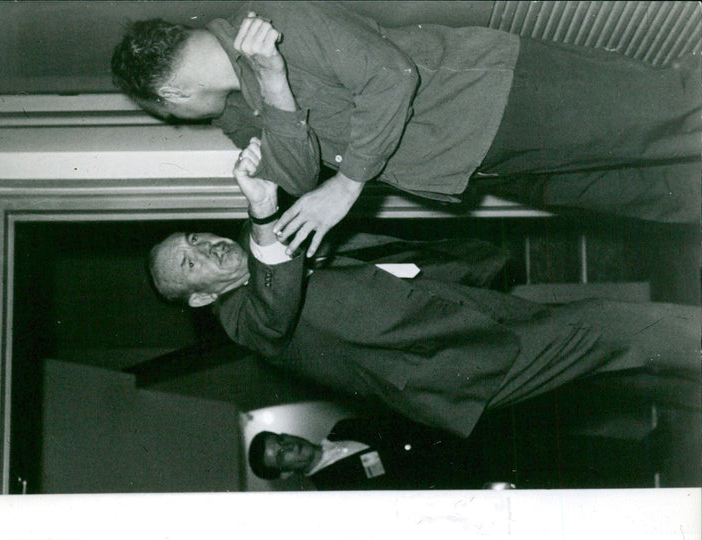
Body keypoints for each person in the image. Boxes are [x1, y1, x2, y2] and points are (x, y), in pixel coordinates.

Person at [147, 139, 701, 439]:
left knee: (606, 335)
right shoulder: (242, 320)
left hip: (459, 310)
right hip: (456, 363)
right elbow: (276, 307)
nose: (206, 249)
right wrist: (263, 210)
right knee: (614, 324)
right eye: (191, 265)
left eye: (195, 238)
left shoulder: (267, 236)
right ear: (199, 297)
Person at [112, 1, 702, 258]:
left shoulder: (277, 17)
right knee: (648, 193)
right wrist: (274, 86)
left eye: (168, 115)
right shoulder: (243, 113)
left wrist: (346, 186)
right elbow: (296, 179)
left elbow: (392, 77)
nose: (180, 121)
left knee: (675, 108)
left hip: (504, 95)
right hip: (478, 159)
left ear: (172, 94)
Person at [248, 415, 485, 491]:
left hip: (466, 433)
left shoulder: (344, 427)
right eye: (281, 456)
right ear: (286, 474)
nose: (288, 446)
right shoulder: (335, 492)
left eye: (281, 440)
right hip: (464, 481)